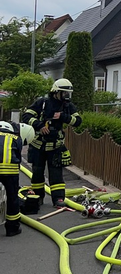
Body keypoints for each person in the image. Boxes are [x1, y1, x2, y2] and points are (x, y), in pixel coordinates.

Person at [21, 78, 80, 207]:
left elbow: (78, 121)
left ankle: (58, 199)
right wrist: (39, 125)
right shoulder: (42, 103)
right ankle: (38, 197)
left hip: (55, 146)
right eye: (64, 93)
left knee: (56, 174)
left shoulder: (68, 106)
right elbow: (26, 116)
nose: (66, 96)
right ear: (55, 92)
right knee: (37, 173)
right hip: (38, 145)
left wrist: (64, 117)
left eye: (68, 94)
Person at [0, 121, 35, 236]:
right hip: (10, 172)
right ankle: (12, 228)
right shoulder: (16, 138)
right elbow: (17, 158)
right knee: (12, 199)